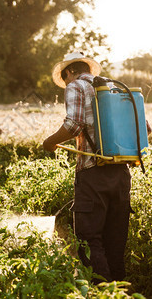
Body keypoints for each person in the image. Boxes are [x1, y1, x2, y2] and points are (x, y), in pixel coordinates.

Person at [43, 52, 133, 282]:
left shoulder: (76, 85)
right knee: (115, 243)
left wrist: (50, 142)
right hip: (121, 173)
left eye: (65, 79)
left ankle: (101, 292)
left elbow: (74, 125)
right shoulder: (115, 88)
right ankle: (120, 294)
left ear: (69, 72)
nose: (66, 83)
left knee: (88, 239)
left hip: (93, 173)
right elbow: (145, 128)